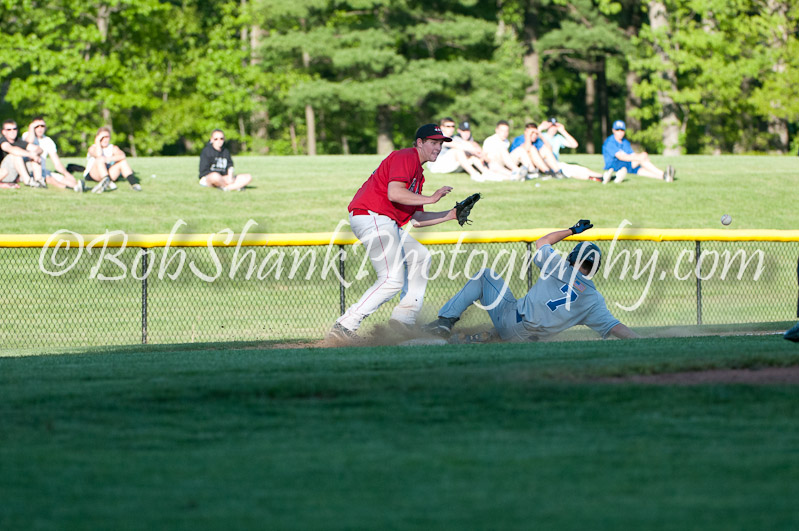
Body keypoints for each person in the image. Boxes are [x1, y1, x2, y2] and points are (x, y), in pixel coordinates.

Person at [327, 123, 460, 343]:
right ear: (419, 143)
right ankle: (345, 324)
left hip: (383, 221)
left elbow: (417, 219)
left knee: (420, 257)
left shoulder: (418, 171)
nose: (438, 147)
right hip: (373, 216)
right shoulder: (406, 157)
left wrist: (450, 214)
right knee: (391, 279)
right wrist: (432, 198)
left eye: (440, 143)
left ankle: (404, 319)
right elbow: (395, 193)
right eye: (433, 142)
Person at [424, 220, 639, 342]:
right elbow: (615, 327)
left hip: (513, 320)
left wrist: (572, 230)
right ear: (595, 269)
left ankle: (445, 321)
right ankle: (486, 337)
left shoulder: (559, 266)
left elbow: (542, 242)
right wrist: (638, 341)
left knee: (485, 275)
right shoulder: (593, 299)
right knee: (512, 320)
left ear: (572, 258)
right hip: (529, 340)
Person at [602, 120, 674, 183]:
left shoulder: (625, 142)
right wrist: (640, 157)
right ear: (613, 130)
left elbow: (632, 154)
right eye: (618, 130)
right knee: (641, 160)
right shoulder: (610, 142)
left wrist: (641, 155)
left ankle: (664, 177)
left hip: (626, 164)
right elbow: (621, 157)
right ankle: (664, 173)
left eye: (622, 130)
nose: (620, 132)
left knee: (640, 170)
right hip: (614, 165)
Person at [22, 118, 83, 192]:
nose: (40, 129)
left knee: (64, 178)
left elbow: (57, 163)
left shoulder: (48, 141)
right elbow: (28, 142)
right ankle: (70, 188)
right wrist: (31, 127)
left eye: (42, 126)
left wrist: (67, 174)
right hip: (30, 169)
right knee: (50, 179)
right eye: (37, 126)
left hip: (44, 170)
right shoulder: (27, 135)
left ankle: (79, 187)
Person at [425, 118, 492, 181]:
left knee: (470, 154)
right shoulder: (437, 137)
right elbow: (456, 145)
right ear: (442, 127)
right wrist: (474, 151)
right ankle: (474, 174)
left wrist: (479, 152)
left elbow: (469, 144)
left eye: (453, 126)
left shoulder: (455, 138)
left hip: (449, 164)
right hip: (436, 166)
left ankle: (486, 172)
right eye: (448, 126)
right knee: (457, 150)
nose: (451, 128)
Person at [539, 118, 603, 181]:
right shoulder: (541, 136)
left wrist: (563, 131)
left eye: (555, 126)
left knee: (579, 169)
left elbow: (574, 145)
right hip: (546, 164)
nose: (553, 128)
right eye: (551, 126)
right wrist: (540, 128)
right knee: (571, 171)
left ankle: (601, 177)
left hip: (556, 163)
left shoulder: (558, 137)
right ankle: (601, 177)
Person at [84, 127, 142, 193]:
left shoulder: (112, 148)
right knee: (100, 159)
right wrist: (97, 141)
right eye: (102, 137)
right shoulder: (93, 148)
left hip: (109, 173)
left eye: (107, 137)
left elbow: (122, 156)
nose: (105, 140)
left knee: (122, 162)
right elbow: (98, 154)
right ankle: (106, 180)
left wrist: (108, 159)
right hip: (94, 174)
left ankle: (134, 184)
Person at [1, 119, 45, 189]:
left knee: (34, 155)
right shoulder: (3, 141)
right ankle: (27, 181)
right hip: (3, 173)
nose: (12, 131)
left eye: (14, 129)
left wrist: (34, 154)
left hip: (14, 174)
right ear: (3, 132)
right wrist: (30, 154)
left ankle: (39, 181)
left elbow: (38, 149)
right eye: (9, 129)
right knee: (15, 155)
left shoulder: (18, 141)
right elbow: (11, 149)